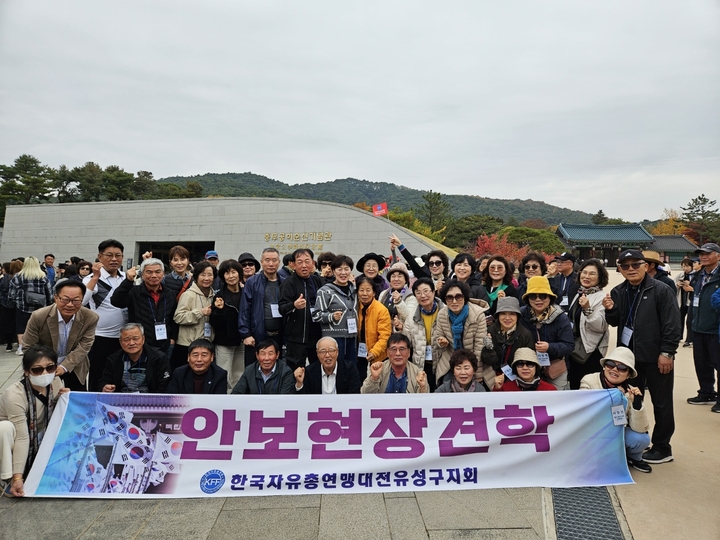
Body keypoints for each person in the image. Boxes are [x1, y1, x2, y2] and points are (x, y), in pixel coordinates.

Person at [603, 249, 681, 464]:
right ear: (620, 269)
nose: (631, 269)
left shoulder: (661, 290)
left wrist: (667, 352)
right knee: (631, 400)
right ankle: (635, 442)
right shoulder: (619, 291)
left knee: (662, 402)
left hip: (656, 357)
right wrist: (610, 309)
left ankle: (662, 447)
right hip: (628, 360)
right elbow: (615, 322)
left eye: (635, 264)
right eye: (625, 266)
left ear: (646, 266)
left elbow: (672, 324)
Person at [0, 346, 68, 497]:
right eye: (37, 370)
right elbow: (22, 437)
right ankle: (6, 477)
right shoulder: (15, 395)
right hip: (12, 439)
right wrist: (18, 477)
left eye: (50, 368)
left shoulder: (56, 382)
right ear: (26, 371)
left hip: (37, 433)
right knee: (4, 428)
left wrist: (65, 399)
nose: (45, 373)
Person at [580, 347, 652, 473]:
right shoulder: (589, 380)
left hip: (615, 433)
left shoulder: (630, 391)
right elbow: (585, 410)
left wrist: (636, 403)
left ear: (628, 374)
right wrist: (612, 396)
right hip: (592, 433)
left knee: (642, 439)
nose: (614, 369)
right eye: (610, 364)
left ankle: (633, 458)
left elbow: (640, 429)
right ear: (604, 366)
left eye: (622, 368)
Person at [23, 280, 99, 391]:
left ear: (82, 300)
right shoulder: (39, 316)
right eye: (65, 299)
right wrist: (45, 366)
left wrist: (64, 367)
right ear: (56, 298)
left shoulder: (90, 317)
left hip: (75, 363)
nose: (70, 305)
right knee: (44, 397)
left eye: (76, 300)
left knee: (76, 397)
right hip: (44, 365)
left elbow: (85, 346)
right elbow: (29, 346)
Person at [82, 239, 127, 394]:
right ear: (100, 257)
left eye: (118, 255)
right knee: (98, 374)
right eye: (109, 255)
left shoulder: (125, 277)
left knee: (119, 375)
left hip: (123, 336)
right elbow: (82, 301)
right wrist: (95, 277)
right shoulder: (91, 279)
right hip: (101, 337)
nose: (114, 259)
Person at [111, 258, 178, 356]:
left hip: (165, 344)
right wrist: (128, 281)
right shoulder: (134, 292)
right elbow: (116, 301)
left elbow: (173, 319)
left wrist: (172, 339)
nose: (154, 275)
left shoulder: (170, 293)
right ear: (142, 274)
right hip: (140, 344)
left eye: (158, 272)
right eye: (149, 272)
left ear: (163, 274)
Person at [433, 281, 493, 388]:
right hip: (450, 358)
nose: (454, 301)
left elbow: (479, 347)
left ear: (465, 297)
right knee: (446, 387)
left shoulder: (477, 315)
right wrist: (441, 341)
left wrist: (477, 373)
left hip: (474, 360)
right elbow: (438, 337)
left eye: (458, 297)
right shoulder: (442, 314)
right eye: (449, 297)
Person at [519, 276, 574, 390]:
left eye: (543, 296)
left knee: (555, 399)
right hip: (527, 368)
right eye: (533, 296)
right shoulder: (521, 314)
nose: (538, 300)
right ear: (528, 298)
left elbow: (569, 345)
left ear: (550, 297)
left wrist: (549, 347)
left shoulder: (561, 317)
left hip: (554, 368)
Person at [567, 259, 610, 390]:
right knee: (575, 387)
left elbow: (600, 326)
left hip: (591, 351)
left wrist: (587, 309)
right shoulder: (581, 293)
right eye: (584, 272)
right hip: (576, 349)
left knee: (588, 388)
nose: (586, 276)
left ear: (600, 277)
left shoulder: (602, 297)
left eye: (592, 274)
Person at [686, 243, 720, 409]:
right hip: (698, 326)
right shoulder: (699, 274)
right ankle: (706, 392)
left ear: (718, 256)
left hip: (716, 329)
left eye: (708, 253)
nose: (703, 257)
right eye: (701, 254)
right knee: (701, 363)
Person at [238, 247, 285, 366]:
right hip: (257, 335)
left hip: (280, 335)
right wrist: (246, 334)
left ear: (279, 262)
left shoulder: (285, 282)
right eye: (267, 260)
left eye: (274, 260)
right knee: (254, 369)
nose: (271, 264)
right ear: (261, 262)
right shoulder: (252, 282)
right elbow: (245, 309)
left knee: (277, 368)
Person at [279, 249, 323, 371]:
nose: (304, 265)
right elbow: (282, 308)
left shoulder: (317, 281)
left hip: (317, 335)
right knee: (296, 371)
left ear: (313, 263)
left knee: (317, 370)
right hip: (297, 338)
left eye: (307, 261)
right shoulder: (288, 283)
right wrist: (294, 305)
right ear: (293, 265)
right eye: (299, 262)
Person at [98, 323, 171, 393]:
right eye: (126, 339)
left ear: (143, 339)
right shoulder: (114, 359)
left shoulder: (158, 358)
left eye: (135, 338)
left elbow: (163, 386)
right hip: (122, 399)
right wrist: (105, 387)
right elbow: (104, 381)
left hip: (149, 399)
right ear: (120, 342)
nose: (131, 343)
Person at [312, 255, 358, 365]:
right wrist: (331, 316)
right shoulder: (325, 291)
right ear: (333, 271)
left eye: (346, 269)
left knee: (351, 368)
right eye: (339, 269)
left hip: (353, 338)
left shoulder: (355, 290)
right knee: (335, 368)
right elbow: (315, 315)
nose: (343, 273)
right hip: (333, 339)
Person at [171, 261, 216, 372]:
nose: (206, 278)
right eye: (203, 275)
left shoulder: (214, 296)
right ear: (196, 276)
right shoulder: (188, 295)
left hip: (207, 344)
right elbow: (178, 317)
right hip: (187, 345)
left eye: (210, 275)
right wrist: (200, 312)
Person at [401, 277, 444, 392]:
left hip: (442, 363)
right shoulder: (411, 317)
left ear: (433, 292)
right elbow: (407, 342)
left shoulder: (445, 312)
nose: (422, 295)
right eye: (418, 293)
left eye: (426, 291)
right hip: (421, 363)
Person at [210, 259, 245, 391]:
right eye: (227, 273)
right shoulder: (219, 296)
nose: (231, 276)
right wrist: (219, 310)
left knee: (239, 373)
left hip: (242, 341)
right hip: (224, 342)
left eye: (233, 272)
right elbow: (214, 322)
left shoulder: (246, 293)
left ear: (239, 274)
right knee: (224, 374)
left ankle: (236, 398)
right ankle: (224, 399)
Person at [9, 256, 53, 357]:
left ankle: (21, 347)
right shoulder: (43, 276)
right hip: (40, 308)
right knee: (40, 327)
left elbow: (11, 294)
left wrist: (17, 300)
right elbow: (49, 294)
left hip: (22, 307)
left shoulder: (18, 277)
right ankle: (40, 346)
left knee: (21, 328)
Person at [481, 296, 535, 376]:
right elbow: (488, 362)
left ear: (517, 316)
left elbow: (528, 362)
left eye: (512, 314)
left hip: (517, 375)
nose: (507, 318)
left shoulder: (525, 335)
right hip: (492, 375)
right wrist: (489, 349)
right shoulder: (489, 331)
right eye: (503, 313)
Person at [360, 334, 429, 394]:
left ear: (409, 353)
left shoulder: (417, 373)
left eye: (402, 349)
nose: (398, 353)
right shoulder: (380, 369)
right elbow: (364, 395)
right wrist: (374, 378)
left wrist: (422, 388)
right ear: (387, 353)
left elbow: (424, 401)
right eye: (393, 349)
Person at [294, 337, 361, 394]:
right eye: (323, 351)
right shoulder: (309, 371)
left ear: (337, 352)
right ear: (317, 354)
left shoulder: (349, 369)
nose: (327, 355)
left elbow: (354, 396)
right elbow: (304, 400)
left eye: (331, 351)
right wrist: (299, 383)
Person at [355, 276, 392, 379]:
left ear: (374, 293)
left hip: (378, 355)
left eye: (368, 290)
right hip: (359, 353)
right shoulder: (355, 307)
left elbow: (385, 336)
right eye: (361, 290)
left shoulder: (381, 310)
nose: (364, 293)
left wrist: (374, 352)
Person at [378, 262, 416, 329]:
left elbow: (410, 318)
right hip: (383, 330)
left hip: (401, 332)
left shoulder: (411, 296)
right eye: (393, 276)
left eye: (399, 276)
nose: (396, 279)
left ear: (405, 280)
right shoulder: (384, 294)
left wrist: (399, 302)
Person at [675, 258, 695, 347]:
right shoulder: (681, 275)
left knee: (689, 321)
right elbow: (673, 284)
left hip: (690, 301)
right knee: (679, 320)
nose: (685, 268)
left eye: (687, 266)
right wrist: (678, 285)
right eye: (683, 266)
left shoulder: (695, 275)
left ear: (691, 266)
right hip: (682, 301)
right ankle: (679, 336)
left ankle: (689, 339)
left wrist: (690, 284)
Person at [0, 262, 18, 352]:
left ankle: (9, 344)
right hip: (16, 304)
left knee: (7, 325)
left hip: (5, 305)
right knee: (17, 323)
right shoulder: (16, 278)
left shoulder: (4, 279)